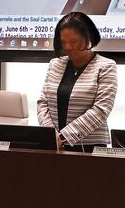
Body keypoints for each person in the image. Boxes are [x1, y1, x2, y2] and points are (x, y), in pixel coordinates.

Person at [37, 12, 117, 152]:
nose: (67, 47)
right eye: (63, 42)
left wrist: (63, 137)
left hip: (89, 148)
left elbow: (101, 109)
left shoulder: (106, 66)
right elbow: (43, 103)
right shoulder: (55, 64)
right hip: (54, 147)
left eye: (73, 42)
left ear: (88, 38)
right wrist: (51, 136)